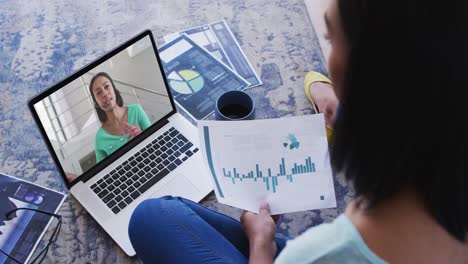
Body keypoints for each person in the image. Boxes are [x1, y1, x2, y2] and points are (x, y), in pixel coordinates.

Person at [128, 0, 468, 263]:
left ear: (369, 74)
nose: (329, 56)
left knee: (150, 217)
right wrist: (334, 99)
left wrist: (261, 246)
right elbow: (314, 80)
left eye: (331, 38)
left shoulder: (319, 253)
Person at [89, 72, 151, 163]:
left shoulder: (136, 110)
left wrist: (142, 135)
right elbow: (102, 172)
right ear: (96, 102)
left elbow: (155, 141)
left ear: (114, 89)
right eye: (98, 92)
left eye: (106, 87)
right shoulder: (100, 138)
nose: (105, 93)